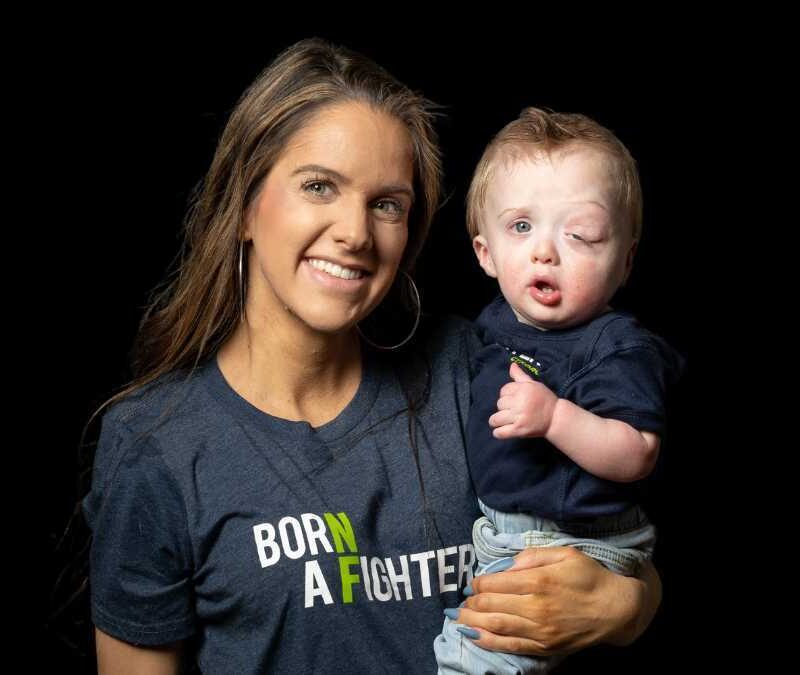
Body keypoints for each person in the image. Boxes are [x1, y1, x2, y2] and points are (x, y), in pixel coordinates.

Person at [80, 40, 662, 673]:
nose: (355, 233)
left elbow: (616, 551)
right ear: (245, 205)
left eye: (387, 204)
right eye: (318, 186)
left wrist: (624, 608)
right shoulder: (154, 442)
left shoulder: (476, 366)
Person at [434, 108, 683, 673]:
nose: (546, 251)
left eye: (580, 234)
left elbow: (637, 452)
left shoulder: (616, 348)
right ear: (485, 254)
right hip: (505, 533)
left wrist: (555, 419)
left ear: (625, 260)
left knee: (479, 657)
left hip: (571, 540)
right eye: (521, 227)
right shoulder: (495, 326)